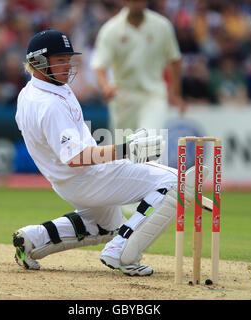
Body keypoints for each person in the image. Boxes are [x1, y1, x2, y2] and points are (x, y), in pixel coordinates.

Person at [12, 29, 209, 276]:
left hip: (68, 181)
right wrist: (126, 150)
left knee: (105, 225)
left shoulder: (31, 92)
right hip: (87, 175)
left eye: (68, 58)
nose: (67, 65)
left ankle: (33, 238)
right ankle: (122, 252)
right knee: (177, 182)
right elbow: (75, 157)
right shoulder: (49, 104)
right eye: (60, 59)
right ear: (38, 62)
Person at [90, 0, 185, 134]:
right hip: (123, 97)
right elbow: (99, 65)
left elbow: (175, 59)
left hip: (153, 95)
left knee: (148, 142)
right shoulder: (110, 29)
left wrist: (175, 93)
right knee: (124, 150)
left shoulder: (162, 26)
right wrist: (106, 87)